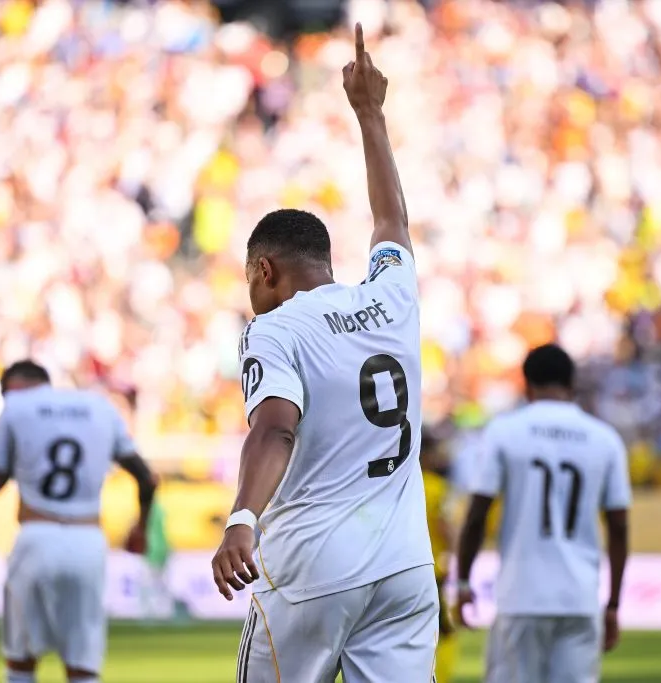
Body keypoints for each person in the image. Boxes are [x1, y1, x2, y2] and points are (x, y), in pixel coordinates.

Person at [210, 23, 438, 683]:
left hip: (311, 566)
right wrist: (370, 112)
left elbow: (276, 427)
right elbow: (391, 221)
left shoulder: (277, 327)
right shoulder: (395, 296)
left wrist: (243, 517)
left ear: (265, 270)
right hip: (404, 567)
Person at [455, 343, 631, 683]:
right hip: (579, 598)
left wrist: (463, 581)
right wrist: (612, 605)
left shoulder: (505, 431)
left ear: (527, 384)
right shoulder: (604, 439)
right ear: (571, 383)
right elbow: (619, 527)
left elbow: (477, 514)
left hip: (521, 594)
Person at [0, 360, 158, 683]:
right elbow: (147, 479)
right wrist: (141, 527)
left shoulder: (17, 407)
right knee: (83, 661)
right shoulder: (99, 407)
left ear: (12, 388)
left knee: (21, 658)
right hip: (88, 540)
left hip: (36, 534)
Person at [421, 430, 459, 683]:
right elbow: (446, 528)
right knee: (443, 632)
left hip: (402, 566)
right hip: (432, 569)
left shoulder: (399, 482)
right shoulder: (437, 486)